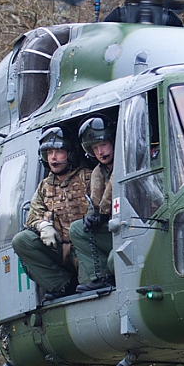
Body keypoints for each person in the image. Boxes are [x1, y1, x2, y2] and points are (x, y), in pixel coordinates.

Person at [12, 127, 92, 301]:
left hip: (87, 248)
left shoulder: (88, 177)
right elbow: (32, 216)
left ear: (70, 153)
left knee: (89, 288)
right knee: (21, 240)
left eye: (58, 152)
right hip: (59, 249)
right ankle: (62, 285)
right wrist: (43, 225)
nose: (53, 158)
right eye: (49, 153)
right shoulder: (45, 187)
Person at [70, 115, 115, 293]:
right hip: (112, 231)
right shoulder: (98, 173)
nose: (100, 152)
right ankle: (101, 277)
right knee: (77, 229)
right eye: (95, 148)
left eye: (103, 145)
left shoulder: (132, 163)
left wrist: (104, 215)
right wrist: (92, 218)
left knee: (115, 260)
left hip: (135, 229)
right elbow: (94, 206)